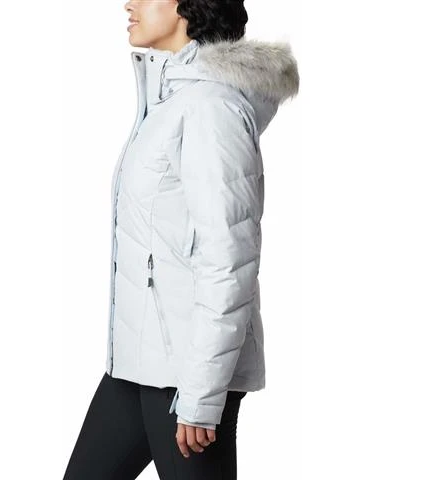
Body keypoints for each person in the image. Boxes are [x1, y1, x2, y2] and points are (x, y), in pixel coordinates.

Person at [62, 0, 299, 478]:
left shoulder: (211, 109)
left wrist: (201, 396)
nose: (129, 4)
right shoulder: (171, 102)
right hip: (138, 366)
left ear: (189, 6)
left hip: (187, 376)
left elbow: (229, 262)